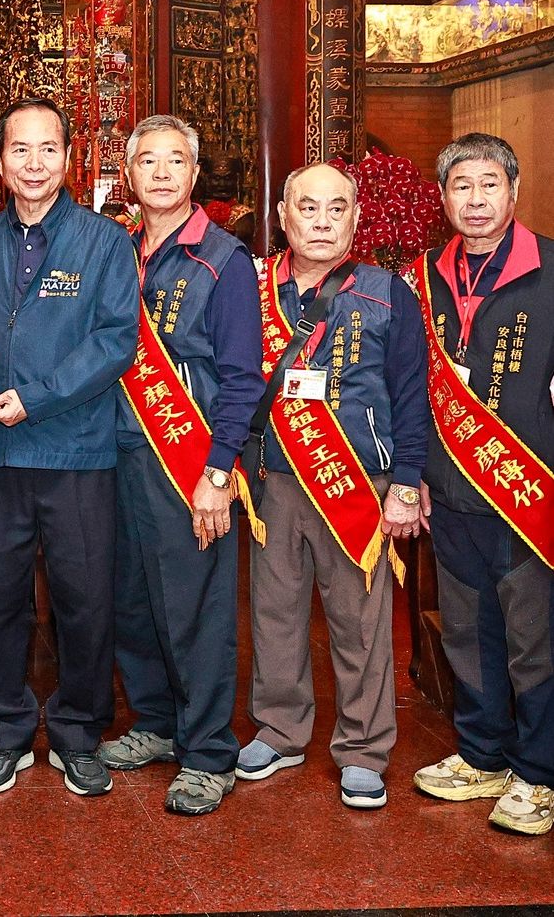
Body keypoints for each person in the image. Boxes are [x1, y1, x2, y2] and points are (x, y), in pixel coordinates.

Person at [0, 97, 139, 797]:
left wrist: (36, 397)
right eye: (20, 149)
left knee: (83, 597)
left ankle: (78, 731)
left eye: (48, 149)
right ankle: (6, 729)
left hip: (75, 449)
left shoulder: (105, 241)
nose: (35, 163)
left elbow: (115, 341)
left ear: (68, 157)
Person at [236, 163, 428, 810]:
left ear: (355, 218)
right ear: (283, 215)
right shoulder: (254, 287)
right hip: (276, 479)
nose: (321, 222)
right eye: (308, 207)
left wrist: (406, 483)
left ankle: (364, 749)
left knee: (360, 622)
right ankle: (279, 729)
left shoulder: (386, 293)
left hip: (356, 482)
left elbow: (411, 394)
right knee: (274, 613)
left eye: (336, 208)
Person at [101, 115, 263, 815]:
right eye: (148, 161)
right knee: (133, 601)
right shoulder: (116, 251)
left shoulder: (223, 260)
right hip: (115, 452)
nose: (162, 172)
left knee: (195, 610)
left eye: (175, 160)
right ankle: (156, 722)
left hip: (187, 460)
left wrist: (218, 472)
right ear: (128, 174)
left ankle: (207, 753)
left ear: (195, 174)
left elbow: (242, 378)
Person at [411, 134, 554, 837]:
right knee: (467, 631)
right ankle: (482, 754)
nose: (475, 199)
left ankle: (538, 772)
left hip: (527, 494)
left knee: (534, 637)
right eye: (460, 185)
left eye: (489, 184)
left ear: (514, 191)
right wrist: (413, 475)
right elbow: (409, 386)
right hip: (450, 493)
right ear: (443, 198)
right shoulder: (423, 278)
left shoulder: (549, 270)